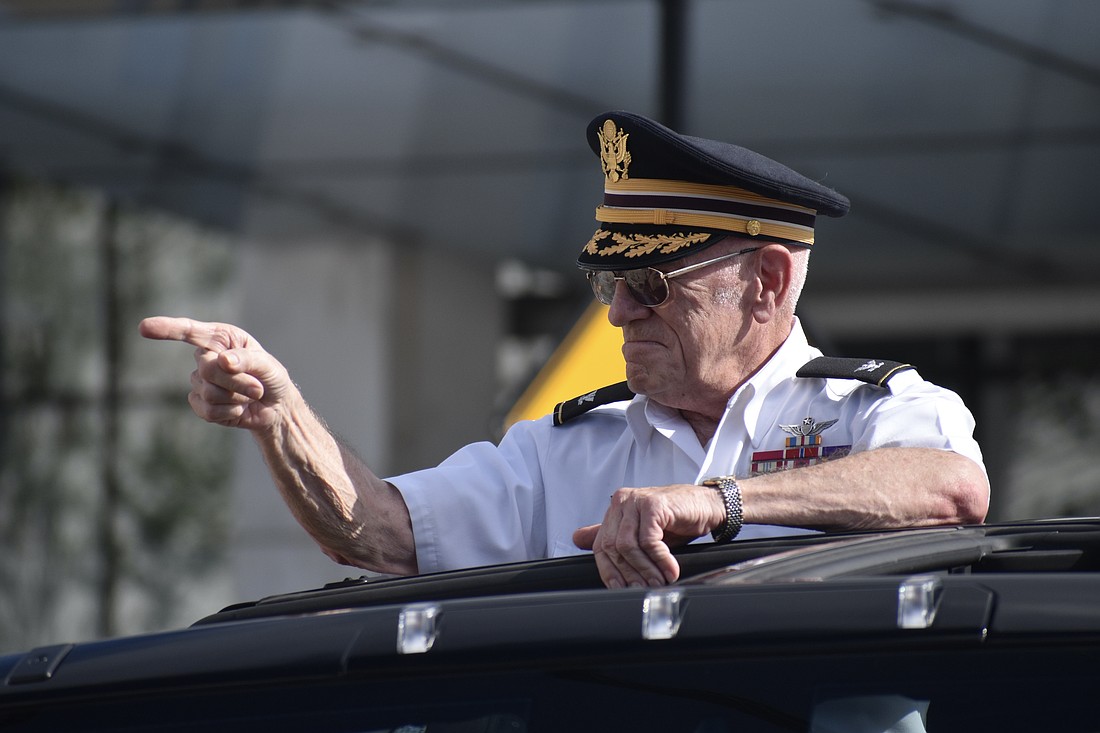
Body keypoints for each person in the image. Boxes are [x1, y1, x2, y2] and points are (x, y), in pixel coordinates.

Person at [140, 110, 989, 589]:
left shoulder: (869, 410)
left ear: (768, 281)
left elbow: (953, 490)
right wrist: (281, 415)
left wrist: (720, 503)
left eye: (652, 284)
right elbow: (385, 536)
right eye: (608, 283)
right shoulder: (564, 451)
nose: (619, 311)